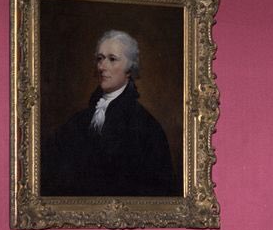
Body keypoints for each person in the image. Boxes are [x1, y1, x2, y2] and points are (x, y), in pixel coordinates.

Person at [41, 30, 177, 197]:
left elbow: (158, 191)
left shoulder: (146, 127)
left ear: (130, 68)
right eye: (100, 58)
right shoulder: (79, 120)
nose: (102, 67)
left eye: (112, 59)